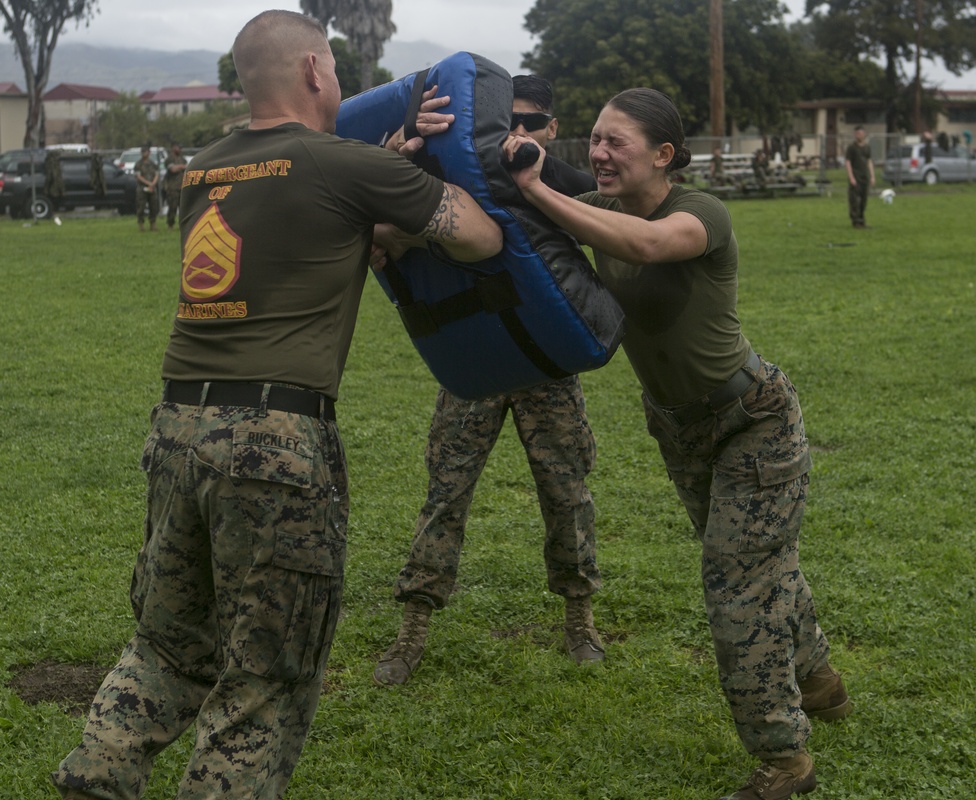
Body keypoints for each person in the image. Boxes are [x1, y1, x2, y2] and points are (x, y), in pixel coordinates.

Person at [50, 10, 501, 800]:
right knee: (264, 678)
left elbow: (306, 227)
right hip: (275, 442)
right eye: (332, 70)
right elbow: (479, 238)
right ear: (316, 73)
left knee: (165, 646)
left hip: (178, 428)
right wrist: (415, 175)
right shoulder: (341, 166)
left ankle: (97, 779)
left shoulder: (205, 168)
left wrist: (384, 172)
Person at [505, 88, 851, 800]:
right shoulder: (603, 204)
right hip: (679, 429)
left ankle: (786, 762)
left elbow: (644, 245)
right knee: (758, 565)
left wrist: (538, 189)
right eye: (594, 139)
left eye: (616, 142)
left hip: (753, 421)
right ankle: (817, 678)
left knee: (736, 585)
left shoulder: (699, 213)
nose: (598, 152)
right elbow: (506, 184)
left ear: (663, 155)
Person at [372, 74, 603, 688]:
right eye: (509, 123)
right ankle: (412, 630)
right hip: (476, 358)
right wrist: (398, 152)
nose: (517, 134)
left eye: (530, 124)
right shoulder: (460, 170)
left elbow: (624, 224)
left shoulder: (564, 182)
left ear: (552, 130)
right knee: (446, 492)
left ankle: (579, 618)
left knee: (567, 493)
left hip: (544, 365)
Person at [845, 125, 875, 229]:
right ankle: (855, 220)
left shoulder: (867, 147)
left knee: (864, 199)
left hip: (864, 176)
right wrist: (851, 177)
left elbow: (869, 161)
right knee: (854, 200)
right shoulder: (851, 148)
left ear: (864, 134)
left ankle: (862, 220)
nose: (859, 135)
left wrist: (872, 176)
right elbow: (848, 162)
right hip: (855, 176)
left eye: (861, 133)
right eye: (857, 133)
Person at [134, 144, 160, 232]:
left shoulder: (153, 164)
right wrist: (148, 183)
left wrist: (153, 184)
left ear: (149, 153)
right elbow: (138, 176)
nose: (144, 153)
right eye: (142, 152)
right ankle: (141, 223)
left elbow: (157, 174)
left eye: (145, 152)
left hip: (152, 188)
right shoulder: (138, 164)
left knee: (154, 206)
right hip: (142, 188)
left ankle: (153, 223)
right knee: (141, 207)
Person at [163, 141, 188, 229]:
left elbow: (187, 168)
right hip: (172, 187)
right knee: (172, 208)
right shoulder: (169, 159)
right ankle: (170, 224)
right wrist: (182, 167)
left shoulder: (182, 159)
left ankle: (184, 225)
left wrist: (180, 167)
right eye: (178, 147)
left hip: (182, 186)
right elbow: (172, 169)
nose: (180, 149)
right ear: (173, 147)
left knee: (183, 208)